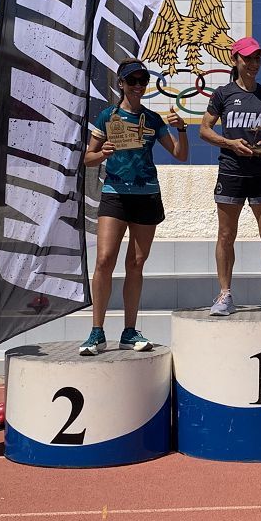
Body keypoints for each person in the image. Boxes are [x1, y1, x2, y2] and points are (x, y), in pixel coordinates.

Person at [80, 59, 188, 355]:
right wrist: (102, 153)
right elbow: (87, 159)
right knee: (104, 260)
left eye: (142, 80)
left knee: (136, 264)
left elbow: (180, 155)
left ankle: (129, 330)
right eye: (132, 81)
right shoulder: (106, 117)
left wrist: (181, 130)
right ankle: (96, 332)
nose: (138, 85)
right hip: (115, 193)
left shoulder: (153, 120)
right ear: (122, 84)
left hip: (146, 195)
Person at [200, 36, 261, 316]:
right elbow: (204, 130)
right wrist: (230, 143)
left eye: (257, 58)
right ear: (235, 60)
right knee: (226, 234)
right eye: (247, 58)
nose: (253, 63)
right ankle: (225, 295)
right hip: (231, 171)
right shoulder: (222, 94)